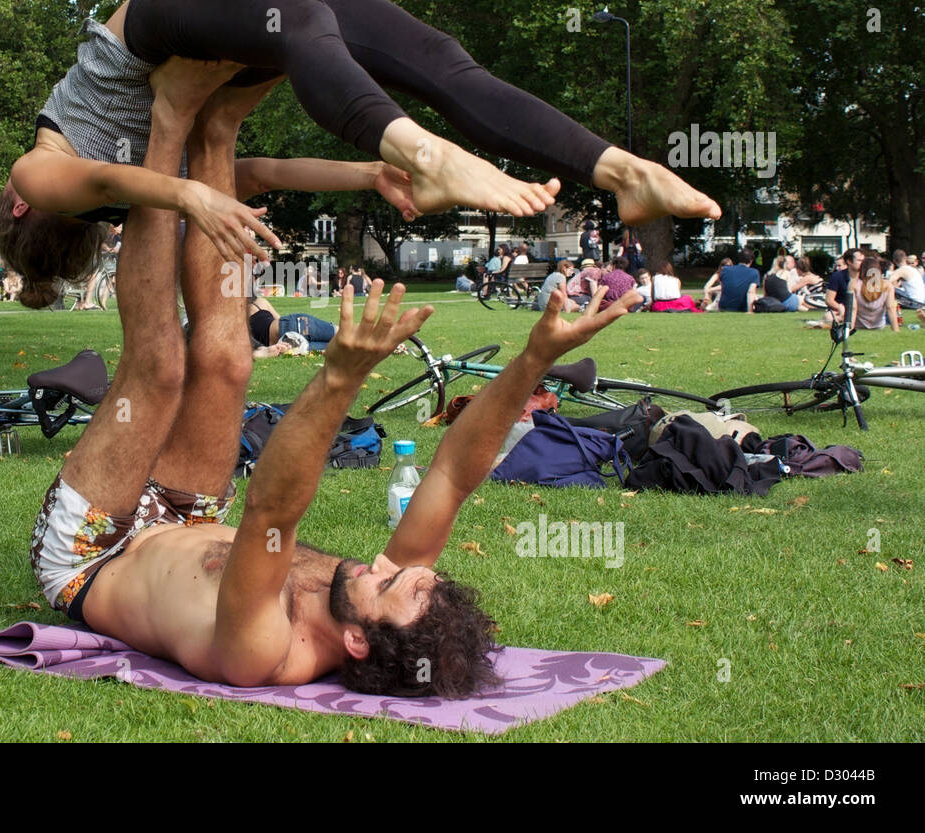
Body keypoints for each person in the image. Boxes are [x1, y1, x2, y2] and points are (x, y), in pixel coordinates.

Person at [31, 232, 643, 696]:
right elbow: (453, 476)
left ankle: (163, 157)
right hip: (188, 518)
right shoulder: (383, 599)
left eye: (387, 581)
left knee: (159, 366)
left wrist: (340, 378)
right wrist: (533, 358)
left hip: (93, 554)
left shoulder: (261, 652)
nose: (382, 563)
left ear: (356, 641)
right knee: (228, 357)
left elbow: (270, 509)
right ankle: (218, 122)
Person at [0, 0, 721, 304]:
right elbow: (262, 173)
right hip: (211, 59)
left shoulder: (39, 171)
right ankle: (422, 151)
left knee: (432, 59)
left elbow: (113, 178)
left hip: (158, 28)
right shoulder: (104, 195)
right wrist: (365, 173)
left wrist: (187, 196)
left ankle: (619, 170)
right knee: (318, 26)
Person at [248, 293, 337, 351]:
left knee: (338, 341)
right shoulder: (260, 302)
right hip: (290, 331)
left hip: (286, 337)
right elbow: (279, 318)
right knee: (338, 341)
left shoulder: (240, 318)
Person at [850, 249, 899, 331]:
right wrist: (896, 330)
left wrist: (850, 329)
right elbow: (890, 308)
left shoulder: (853, 285)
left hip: (858, 326)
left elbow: (853, 309)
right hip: (879, 325)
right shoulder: (887, 286)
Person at [823, 248, 863, 324]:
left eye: (863, 260)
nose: (862, 263)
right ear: (849, 261)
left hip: (862, 311)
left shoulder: (866, 276)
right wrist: (842, 309)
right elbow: (829, 300)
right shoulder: (837, 276)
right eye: (859, 260)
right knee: (828, 317)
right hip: (842, 310)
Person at [717, 248, 761, 313]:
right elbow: (751, 292)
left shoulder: (725, 270)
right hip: (741, 308)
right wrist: (750, 311)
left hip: (723, 307)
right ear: (751, 261)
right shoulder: (754, 272)